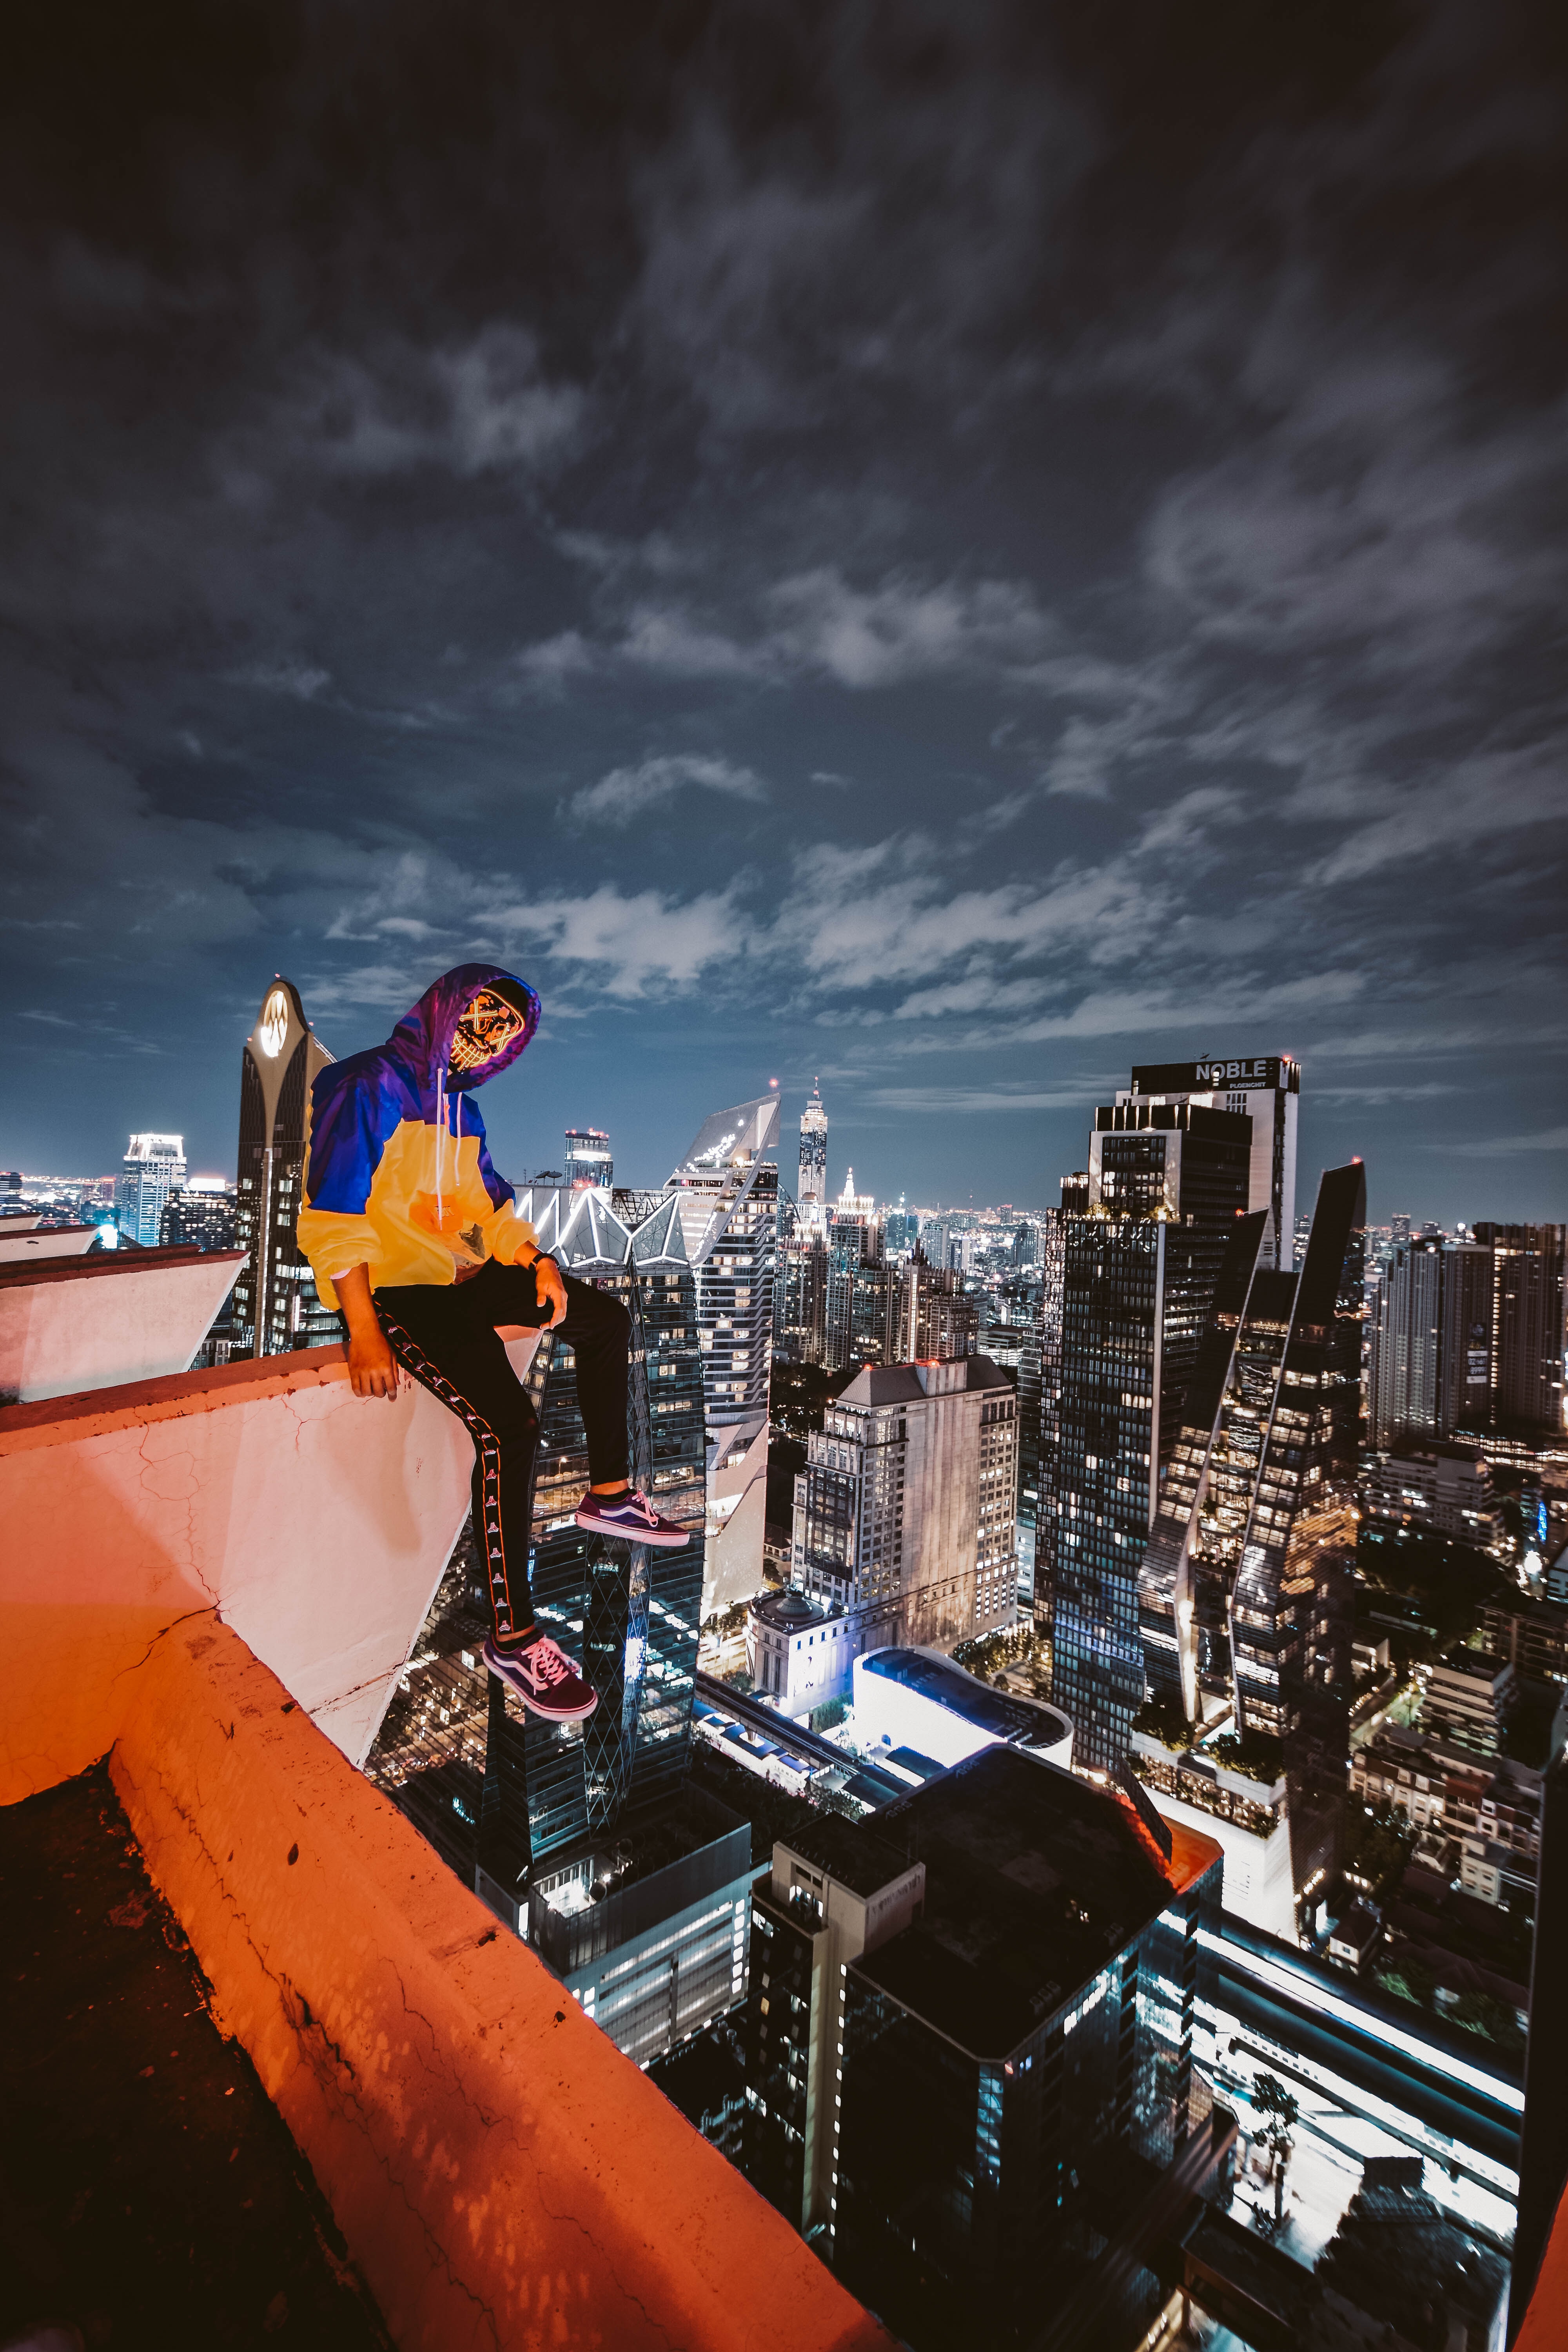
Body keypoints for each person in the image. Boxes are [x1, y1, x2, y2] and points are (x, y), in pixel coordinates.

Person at [296, 963, 689, 1724]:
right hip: (395, 1288)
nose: (486, 1040)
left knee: (603, 1319)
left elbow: (484, 1212)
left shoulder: (461, 1111)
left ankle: (609, 1495)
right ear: (446, 1009)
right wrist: (363, 1327)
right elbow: (333, 1213)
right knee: (509, 1427)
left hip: (458, 1275)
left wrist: (536, 1260)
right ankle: (514, 1637)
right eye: (480, 1019)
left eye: (503, 1033)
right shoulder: (367, 1084)